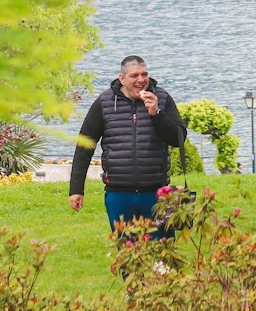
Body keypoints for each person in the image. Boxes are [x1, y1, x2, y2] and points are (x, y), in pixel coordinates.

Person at [68, 54, 186, 238]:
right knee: (126, 253)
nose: (141, 80)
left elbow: (178, 138)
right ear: (122, 79)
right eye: (134, 76)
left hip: (157, 192)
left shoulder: (161, 98)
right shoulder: (105, 103)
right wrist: (76, 189)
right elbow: (84, 146)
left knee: (162, 254)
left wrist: (157, 114)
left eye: (144, 74)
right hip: (119, 194)